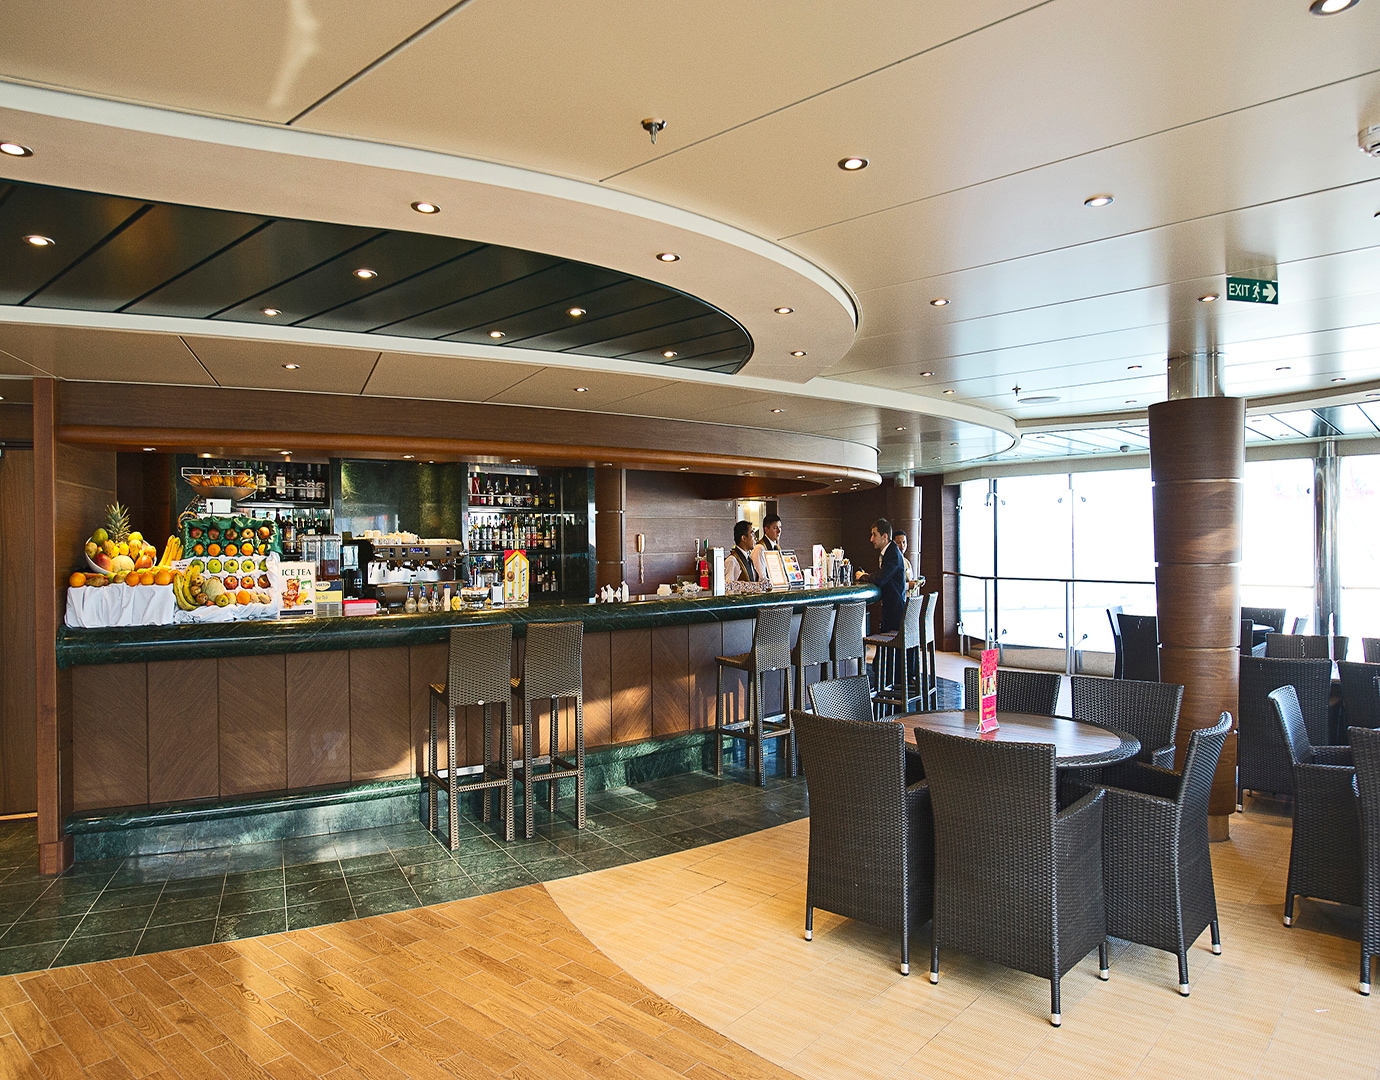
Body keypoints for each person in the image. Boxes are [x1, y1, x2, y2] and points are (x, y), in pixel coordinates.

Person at [858, 517, 906, 632]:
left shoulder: (893, 554)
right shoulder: (890, 551)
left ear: (884, 537)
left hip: (895, 615)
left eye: (874, 535)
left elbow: (880, 578)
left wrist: (863, 576)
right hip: (892, 611)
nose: (871, 539)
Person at [752, 513, 782, 580]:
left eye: (780, 527)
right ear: (766, 530)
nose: (779, 531)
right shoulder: (760, 548)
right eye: (775, 528)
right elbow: (762, 577)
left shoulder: (777, 547)